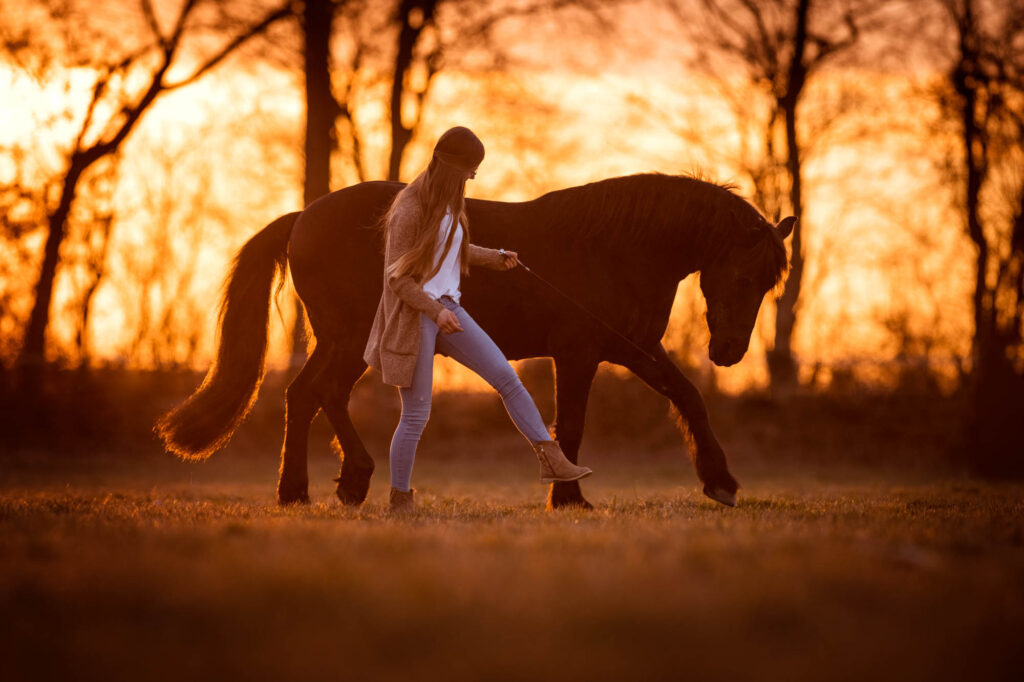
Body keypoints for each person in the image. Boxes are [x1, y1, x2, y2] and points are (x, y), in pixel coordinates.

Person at [363, 126, 593, 512]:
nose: (473, 177)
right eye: (470, 169)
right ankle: (400, 497)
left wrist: (493, 256)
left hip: (450, 309)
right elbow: (397, 279)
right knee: (417, 412)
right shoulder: (409, 209)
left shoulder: (449, 202)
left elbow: (451, 246)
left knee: (506, 378)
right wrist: (435, 312)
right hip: (418, 315)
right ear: (449, 165)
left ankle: (550, 458)